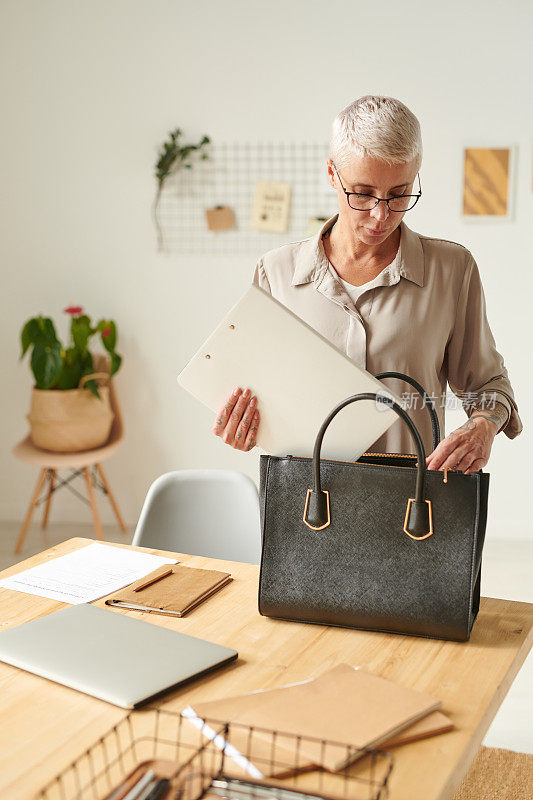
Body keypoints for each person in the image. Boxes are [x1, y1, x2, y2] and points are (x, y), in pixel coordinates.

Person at [212, 95, 522, 474]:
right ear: (331, 174)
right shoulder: (275, 273)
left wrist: (483, 426)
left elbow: (490, 385)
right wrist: (241, 425)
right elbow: (255, 396)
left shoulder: (452, 270)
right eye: (362, 193)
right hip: (302, 505)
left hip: (412, 511)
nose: (380, 215)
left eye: (399, 194)